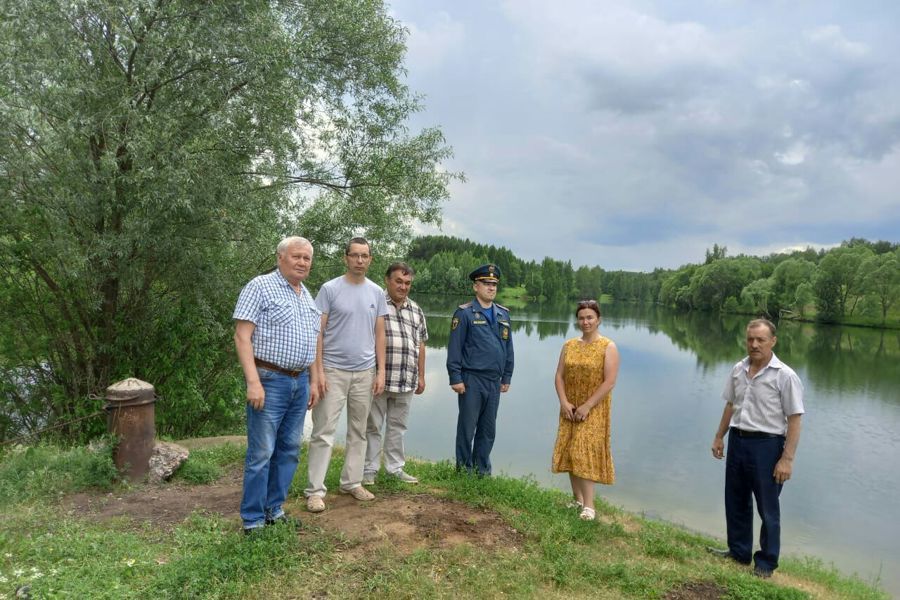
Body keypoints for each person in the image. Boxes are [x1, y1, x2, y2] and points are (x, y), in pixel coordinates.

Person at [233, 236, 320, 534]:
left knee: (289, 450)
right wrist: (253, 382)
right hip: (269, 381)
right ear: (280, 257)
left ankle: (274, 510)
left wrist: (314, 381)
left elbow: (312, 342)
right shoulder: (260, 286)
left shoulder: (306, 295)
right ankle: (253, 520)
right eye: (296, 256)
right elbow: (242, 336)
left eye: (307, 258)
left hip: (300, 382)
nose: (302, 262)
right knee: (261, 452)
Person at [709, 318, 804, 578]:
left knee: (768, 507)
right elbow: (730, 405)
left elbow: (795, 419)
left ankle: (765, 563)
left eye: (760, 339)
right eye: (750, 339)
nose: (754, 344)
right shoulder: (739, 369)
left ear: (773, 341)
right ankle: (739, 551)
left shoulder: (785, 375)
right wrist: (719, 436)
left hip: (768, 446)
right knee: (736, 499)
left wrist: (787, 459)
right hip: (738, 440)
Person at [304, 237, 387, 512]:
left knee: (359, 431)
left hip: (365, 372)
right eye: (355, 255)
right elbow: (318, 332)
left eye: (365, 256)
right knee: (324, 431)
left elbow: (379, 333)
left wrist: (381, 371)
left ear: (370, 259)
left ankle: (352, 482)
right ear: (346, 258)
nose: (360, 260)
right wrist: (318, 373)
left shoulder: (376, 292)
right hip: (333, 371)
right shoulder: (330, 289)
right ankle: (315, 491)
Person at [551, 299, 620, 521]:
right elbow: (559, 376)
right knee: (571, 452)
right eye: (581, 318)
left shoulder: (608, 346)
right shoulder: (569, 346)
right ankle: (577, 500)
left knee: (583, 452)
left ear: (598, 320)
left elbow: (609, 382)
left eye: (590, 317)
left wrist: (588, 405)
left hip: (594, 408)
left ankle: (589, 507)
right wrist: (563, 401)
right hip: (570, 407)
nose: (585, 321)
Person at [362, 262, 428, 485]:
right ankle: (369, 470)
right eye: (398, 281)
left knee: (398, 427)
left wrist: (421, 375)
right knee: (372, 427)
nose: (403, 286)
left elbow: (420, 345)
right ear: (387, 280)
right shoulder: (374, 304)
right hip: (379, 378)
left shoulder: (416, 310)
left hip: (406, 379)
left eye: (408, 283)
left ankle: (395, 468)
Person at [446, 263, 514, 476]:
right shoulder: (464, 314)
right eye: (486, 283)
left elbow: (508, 348)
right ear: (476, 286)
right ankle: (464, 470)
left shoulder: (503, 315)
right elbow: (455, 349)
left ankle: (482, 470)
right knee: (467, 428)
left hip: (494, 381)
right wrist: (455, 377)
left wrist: (507, 376)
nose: (491, 287)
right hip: (471, 379)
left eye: (494, 284)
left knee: (487, 429)